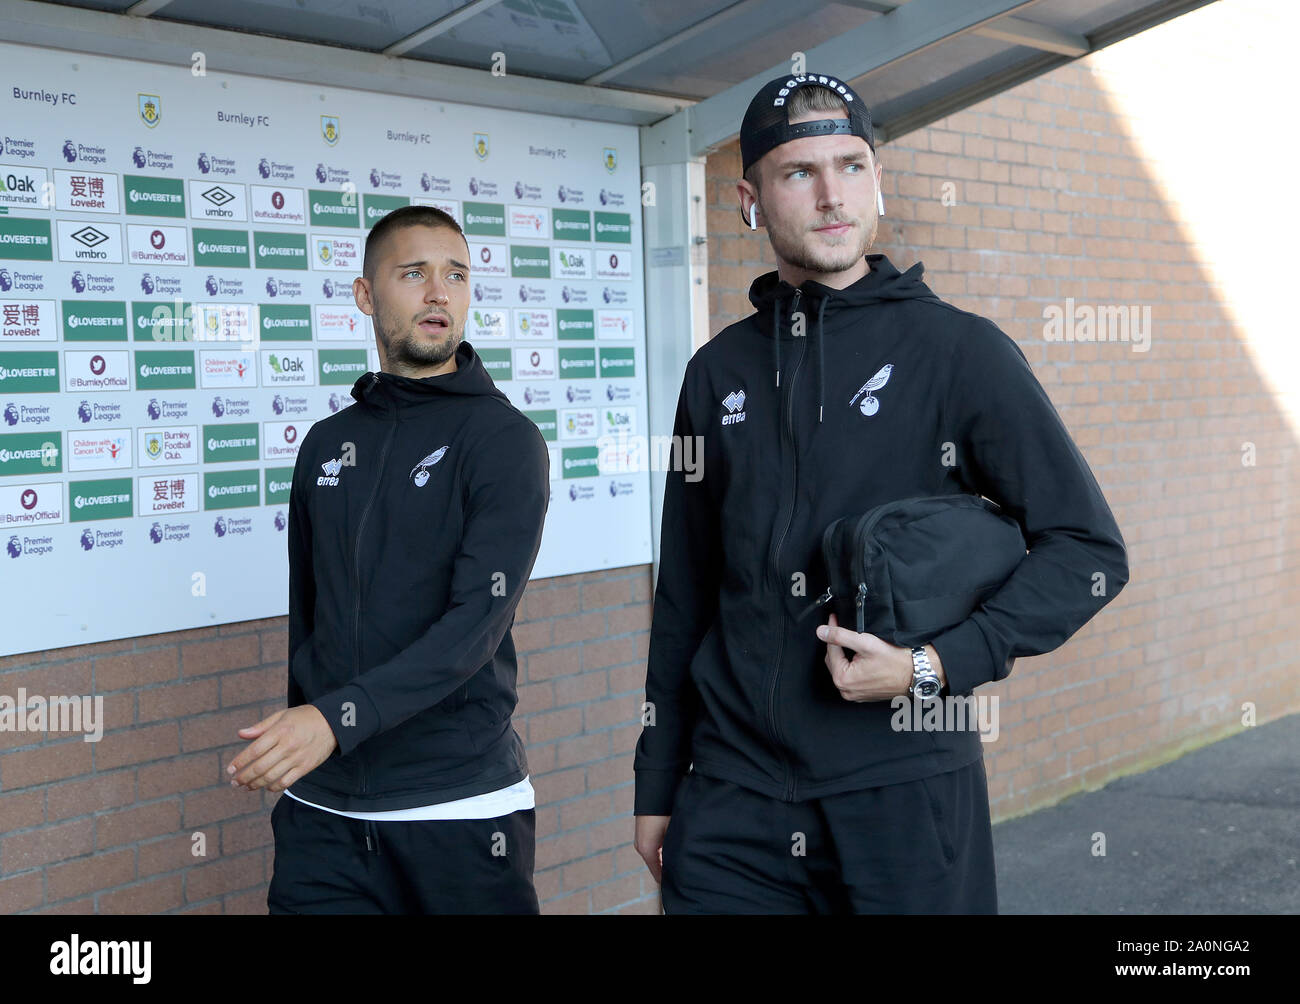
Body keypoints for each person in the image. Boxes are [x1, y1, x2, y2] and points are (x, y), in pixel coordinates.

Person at [632, 73, 1129, 914]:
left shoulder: (959, 351)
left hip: (904, 791)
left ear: (878, 178)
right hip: (733, 799)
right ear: (751, 199)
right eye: (800, 173)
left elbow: (1087, 552)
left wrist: (931, 669)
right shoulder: (716, 374)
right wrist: (657, 776)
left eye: (852, 165)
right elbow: (684, 590)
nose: (832, 196)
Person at [226, 205, 551, 914]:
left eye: (456, 275)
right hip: (326, 816)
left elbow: (474, 628)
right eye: (414, 273)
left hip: (459, 814)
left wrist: (332, 719)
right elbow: (309, 620)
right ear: (366, 296)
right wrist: (307, 739)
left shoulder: (503, 440)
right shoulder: (326, 444)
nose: (439, 292)